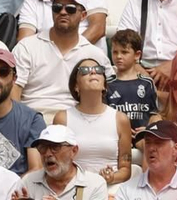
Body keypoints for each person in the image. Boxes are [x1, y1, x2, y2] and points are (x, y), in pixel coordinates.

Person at [12, 0, 99, 118]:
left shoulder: (93, 54)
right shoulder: (26, 47)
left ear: (83, 16)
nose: (63, 12)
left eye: (70, 9)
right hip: (32, 117)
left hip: (76, 120)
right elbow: (14, 90)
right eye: (57, 7)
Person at [53, 58, 128, 186]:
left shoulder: (120, 119)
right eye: (84, 71)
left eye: (98, 70)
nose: (93, 72)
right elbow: (57, 162)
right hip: (74, 187)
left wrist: (111, 177)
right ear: (76, 86)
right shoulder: (62, 118)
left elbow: (126, 169)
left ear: (104, 84)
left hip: (110, 189)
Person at [0, 50, 44, 177]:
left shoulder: (32, 120)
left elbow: (36, 170)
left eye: (3, 72)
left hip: (17, 192)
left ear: (14, 79)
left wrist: (8, 188)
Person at [107, 30, 159, 131]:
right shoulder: (107, 83)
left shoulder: (147, 83)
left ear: (137, 55)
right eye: (115, 52)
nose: (118, 56)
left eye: (124, 52)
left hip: (143, 135)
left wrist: (148, 129)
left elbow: (154, 114)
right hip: (117, 135)